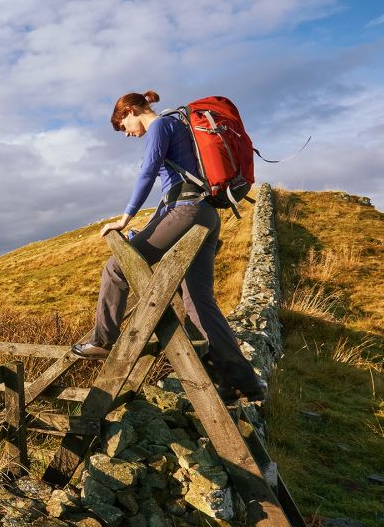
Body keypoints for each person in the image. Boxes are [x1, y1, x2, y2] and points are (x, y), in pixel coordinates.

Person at [71, 90, 266, 402]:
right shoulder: (180, 125)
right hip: (206, 215)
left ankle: (103, 339)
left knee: (116, 267)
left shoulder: (160, 126)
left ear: (132, 110)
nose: (127, 133)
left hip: (185, 211)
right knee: (199, 302)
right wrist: (144, 231)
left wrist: (124, 220)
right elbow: (174, 188)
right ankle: (242, 380)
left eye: (124, 125)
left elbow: (148, 172)